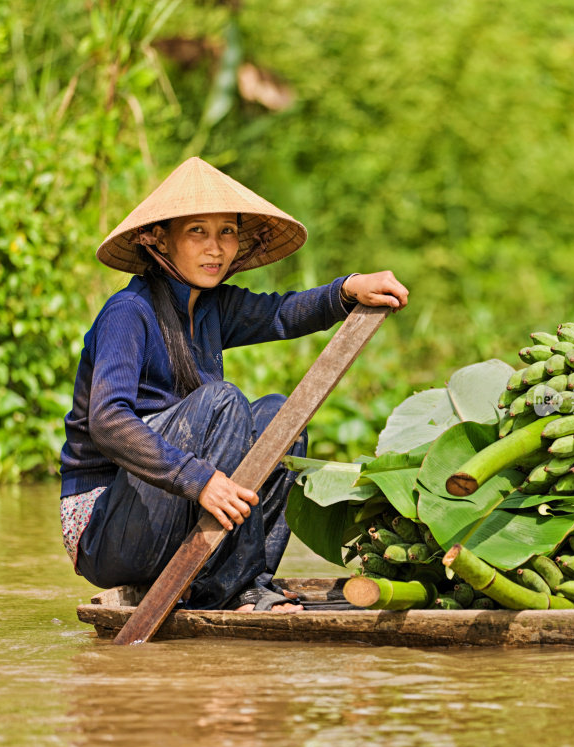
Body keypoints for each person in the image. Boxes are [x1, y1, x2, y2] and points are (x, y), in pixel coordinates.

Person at [59, 157, 408, 612]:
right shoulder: (129, 312)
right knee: (223, 401)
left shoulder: (212, 307)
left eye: (226, 231)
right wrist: (198, 479)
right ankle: (231, 587)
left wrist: (348, 289)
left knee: (279, 418)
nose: (216, 248)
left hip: (168, 508)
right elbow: (107, 421)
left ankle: (249, 578)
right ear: (158, 239)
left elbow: (282, 313)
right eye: (197, 232)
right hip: (106, 527)